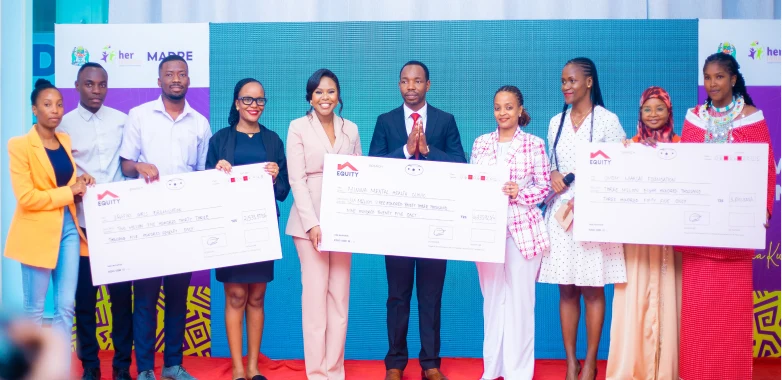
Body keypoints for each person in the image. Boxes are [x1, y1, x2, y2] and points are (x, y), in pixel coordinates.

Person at [676, 52, 774, 380]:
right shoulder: (694, 118)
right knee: (699, 315)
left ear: (733, 79)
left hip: (735, 236)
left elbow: (766, 169)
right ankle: (695, 373)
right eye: (707, 77)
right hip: (699, 236)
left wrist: (764, 208)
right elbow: (684, 169)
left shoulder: (751, 117)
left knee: (730, 316)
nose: (712, 83)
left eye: (719, 76)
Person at [368, 60, 466, 380]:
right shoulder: (385, 121)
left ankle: (431, 364)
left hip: (434, 222)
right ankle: (395, 364)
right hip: (397, 222)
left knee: (430, 295)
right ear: (399, 85)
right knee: (398, 296)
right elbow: (373, 168)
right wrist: (406, 152)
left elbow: (461, 165)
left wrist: (429, 150)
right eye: (405, 81)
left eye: (417, 81)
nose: (411, 86)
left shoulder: (445, 121)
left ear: (428, 85)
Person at [119, 54, 212, 380]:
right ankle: (145, 368)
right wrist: (139, 166)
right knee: (145, 299)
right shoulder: (139, 115)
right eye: (169, 74)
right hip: (147, 221)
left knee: (177, 298)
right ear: (159, 81)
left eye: (181, 74)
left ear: (189, 80)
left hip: (183, 223)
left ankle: (173, 364)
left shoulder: (200, 123)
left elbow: (203, 173)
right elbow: (125, 165)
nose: (176, 79)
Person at [537, 57, 626, 380]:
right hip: (562, 216)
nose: (566, 86)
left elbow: (618, 166)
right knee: (567, 290)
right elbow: (551, 164)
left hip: (593, 213)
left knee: (592, 290)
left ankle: (590, 363)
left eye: (572, 80)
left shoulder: (607, 120)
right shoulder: (555, 122)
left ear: (589, 82)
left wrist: (588, 192)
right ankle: (570, 362)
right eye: (563, 81)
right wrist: (553, 173)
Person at [4, 78, 92, 371]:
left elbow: (62, 180)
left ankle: (58, 370)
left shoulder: (64, 140)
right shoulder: (19, 145)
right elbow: (27, 197)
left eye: (59, 104)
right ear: (34, 109)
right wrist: (70, 191)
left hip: (68, 227)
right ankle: (30, 372)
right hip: (36, 233)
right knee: (35, 309)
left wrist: (81, 181)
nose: (55, 110)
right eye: (47, 104)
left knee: (66, 306)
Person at [206, 78, 290, 380]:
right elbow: (205, 187)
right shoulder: (220, 140)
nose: (254, 105)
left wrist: (276, 176)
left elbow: (283, 191)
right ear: (236, 102)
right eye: (248, 99)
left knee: (256, 297)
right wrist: (217, 173)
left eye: (260, 100)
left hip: (261, 228)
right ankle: (238, 369)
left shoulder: (273, 140)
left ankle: (253, 367)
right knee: (235, 296)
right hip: (230, 228)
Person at [56, 62, 134, 380]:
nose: (96, 90)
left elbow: (130, 162)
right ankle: (90, 365)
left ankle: (121, 366)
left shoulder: (122, 121)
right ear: (77, 86)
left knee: (121, 300)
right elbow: (58, 172)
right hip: (82, 225)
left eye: (102, 84)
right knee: (85, 301)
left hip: (117, 224)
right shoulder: (63, 125)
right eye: (89, 84)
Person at [285, 69, 361, 380]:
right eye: (318, 92)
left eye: (330, 91)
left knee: (339, 298)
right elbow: (296, 178)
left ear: (338, 96)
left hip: (342, 221)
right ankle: (317, 373)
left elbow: (360, 173)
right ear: (310, 97)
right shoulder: (298, 127)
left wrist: (356, 220)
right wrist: (312, 223)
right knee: (315, 300)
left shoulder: (351, 128)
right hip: (309, 222)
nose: (325, 97)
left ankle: (335, 370)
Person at [470, 86, 550, 380]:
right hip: (487, 231)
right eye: (497, 107)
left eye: (508, 107)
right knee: (492, 303)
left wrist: (520, 193)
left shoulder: (534, 144)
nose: (502, 113)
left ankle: (519, 372)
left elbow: (544, 188)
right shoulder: (481, 143)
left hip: (523, 232)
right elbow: (472, 182)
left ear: (519, 110)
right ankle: (492, 370)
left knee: (521, 304)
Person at [606, 86, 681, 380]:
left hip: (669, 237)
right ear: (640, 113)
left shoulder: (682, 146)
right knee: (635, 296)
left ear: (669, 112)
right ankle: (632, 366)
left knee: (669, 294)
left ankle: (666, 368)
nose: (653, 114)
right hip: (636, 238)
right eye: (647, 109)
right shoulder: (629, 147)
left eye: (659, 108)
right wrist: (623, 156)